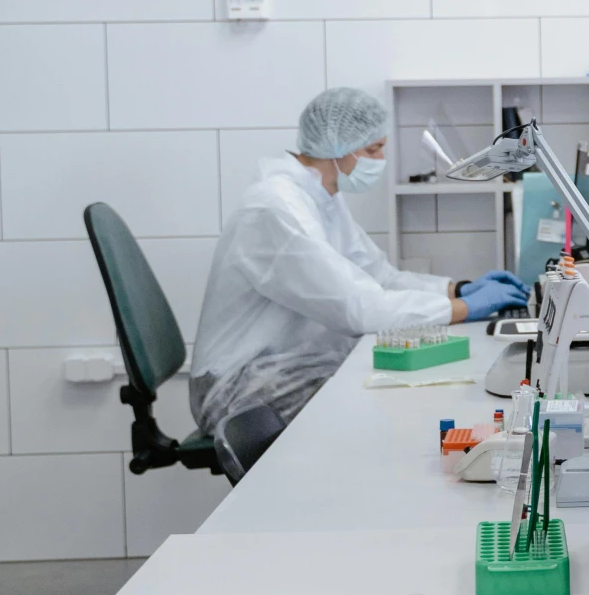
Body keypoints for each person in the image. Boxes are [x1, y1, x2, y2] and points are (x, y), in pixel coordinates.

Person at [189, 86, 528, 440]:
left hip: (291, 367)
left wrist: (456, 289)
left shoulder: (320, 198)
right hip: (239, 387)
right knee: (385, 417)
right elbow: (360, 310)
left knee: (403, 399)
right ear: (335, 146)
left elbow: (378, 276)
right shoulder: (276, 209)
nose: (380, 161)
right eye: (372, 149)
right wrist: (462, 308)